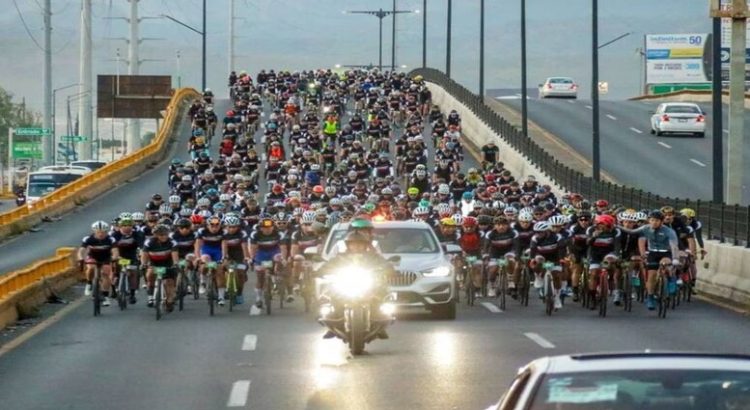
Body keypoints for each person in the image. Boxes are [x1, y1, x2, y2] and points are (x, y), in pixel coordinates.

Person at [316, 231, 394, 340]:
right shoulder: (340, 257)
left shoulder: (373, 257)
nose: (356, 246)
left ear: (365, 245)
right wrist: (319, 271)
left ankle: (380, 324)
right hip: (345, 284)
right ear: (348, 245)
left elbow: (385, 264)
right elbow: (328, 265)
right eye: (353, 244)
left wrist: (390, 269)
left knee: (382, 294)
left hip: (369, 285)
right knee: (330, 295)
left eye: (360, 244)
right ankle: (332, 322)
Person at [635, 210, 680, 311]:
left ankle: (671, 280)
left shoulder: (669, 231)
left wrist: (676, 258)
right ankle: (650, 297)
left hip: (666, 253)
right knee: (651, 275)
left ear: (661, 221)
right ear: (649, 221)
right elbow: (638, 238)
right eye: (652, 220)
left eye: (656, 220)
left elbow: (674, 246)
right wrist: (643, 255)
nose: (654, 222)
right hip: (653, 253)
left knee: (665, 264)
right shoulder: (645, 229)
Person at [79, 221, 119, 307]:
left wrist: (115, 257)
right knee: (90, 268)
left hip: (105, 257)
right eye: (98, 232)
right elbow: (81, 250)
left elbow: (115, 251)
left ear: (106, 232)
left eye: (103, 232)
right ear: (94, 231)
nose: (101, 234)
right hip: (93, 256)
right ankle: (89, 283)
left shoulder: (110, 239)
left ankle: (105, 295)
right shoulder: (88, 239)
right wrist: (81, 257)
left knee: (105, 273)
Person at [141, 224, 180, 311]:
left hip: (167, 263)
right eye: (161, 234)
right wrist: (143, 264)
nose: (164, 236)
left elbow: (175, 255)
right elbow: (144, 254)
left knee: (169, 282)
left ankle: (169, 300)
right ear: (156, 235)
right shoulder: (149, 242)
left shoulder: (172, 242)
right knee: (150, 274)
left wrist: (176, 264)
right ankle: (150, 297)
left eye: (166, 234)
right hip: (154, 263)